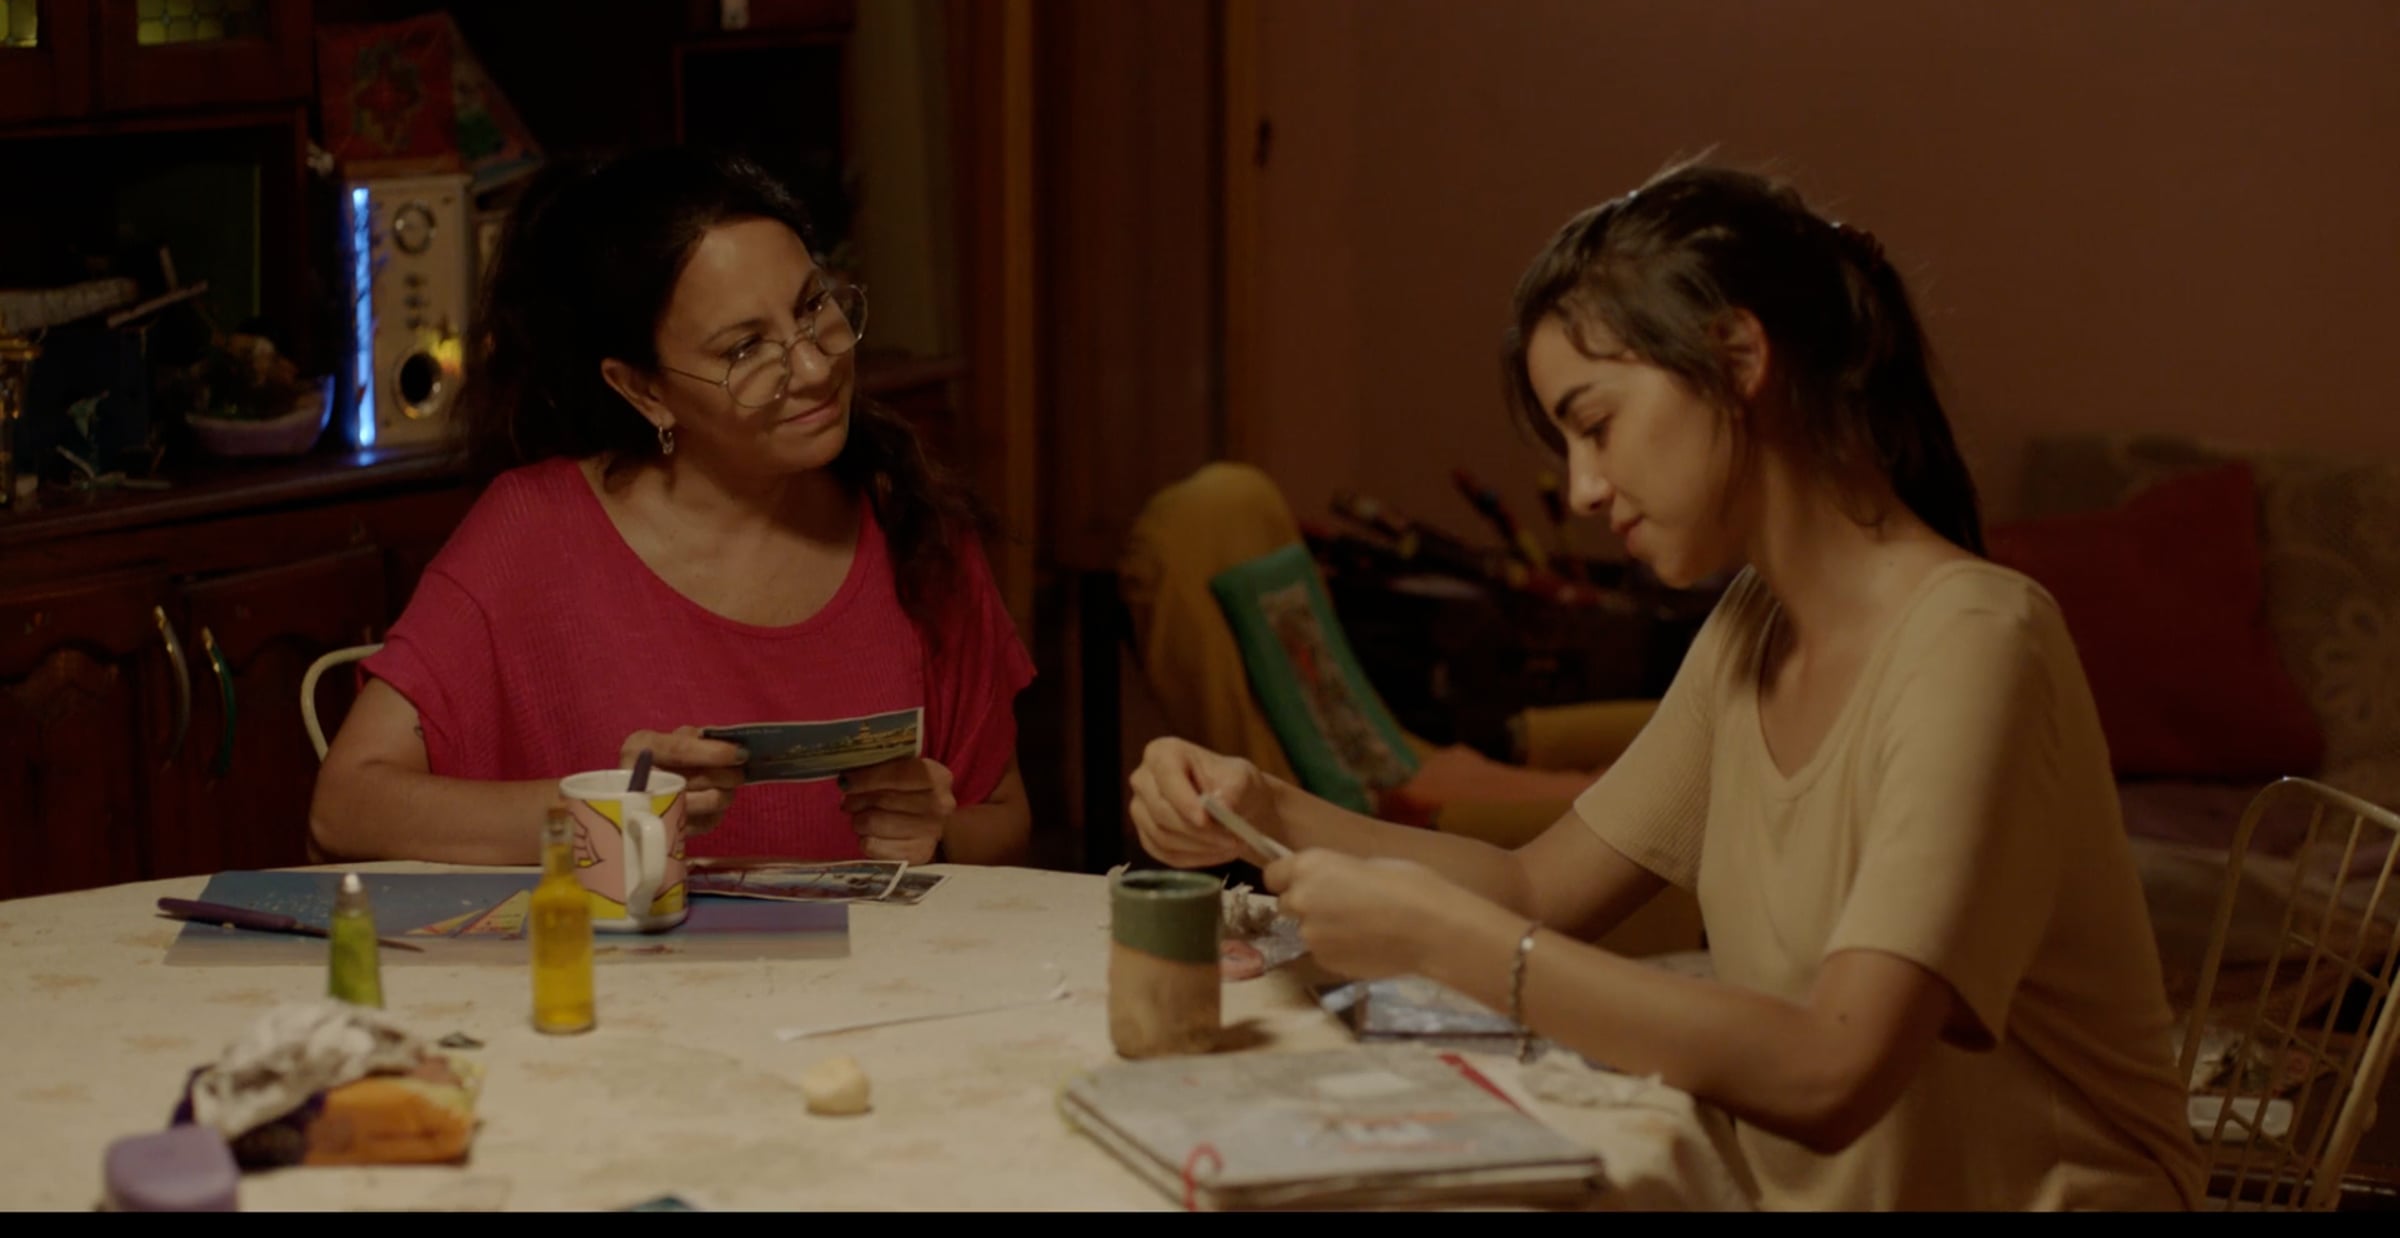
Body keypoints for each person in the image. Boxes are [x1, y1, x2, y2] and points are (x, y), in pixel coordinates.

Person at [1128, 159, 2206, 1210]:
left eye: (1595, 425)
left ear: (1738, 356)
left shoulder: (1977, 641)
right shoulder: (1751, 629)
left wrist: (1449, 947)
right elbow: (1534, 891)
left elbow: (1832, 1071)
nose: (1583, 489)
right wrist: (1262, 809)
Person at [310, 146, 1034, 869]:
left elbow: (1004, 817)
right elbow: (345, 807)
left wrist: (938, 834)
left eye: (814, 308)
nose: (816, 368)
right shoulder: (535, 533)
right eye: (745, 350)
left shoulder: (910, 520)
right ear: (643, 390)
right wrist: (610, 811)